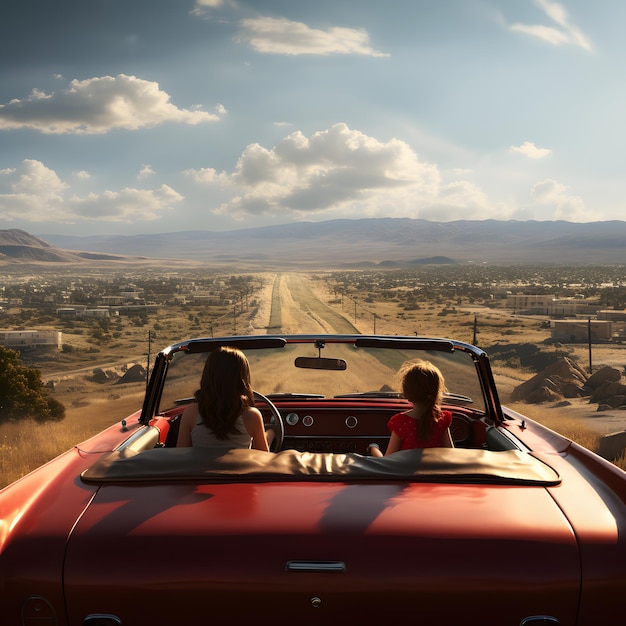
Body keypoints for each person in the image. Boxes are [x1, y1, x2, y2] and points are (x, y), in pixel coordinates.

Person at [176, 346, 270, 451]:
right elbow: (263, 458)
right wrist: (271, 434)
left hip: (202, 468)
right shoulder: (251, 416)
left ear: (208, 376)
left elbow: (181, 456)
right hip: (237, 468)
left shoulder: (190, 412)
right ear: (242, 379)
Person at [368, 359, 453, 456]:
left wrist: (373, 449)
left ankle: (373, 447)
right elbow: (450, 455)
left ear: (407, 392)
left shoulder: (400, 422)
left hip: (404, 471)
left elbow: (388, 462)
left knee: (374, 449)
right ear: (436, 391)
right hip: (434, 470)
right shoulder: (442, 420)